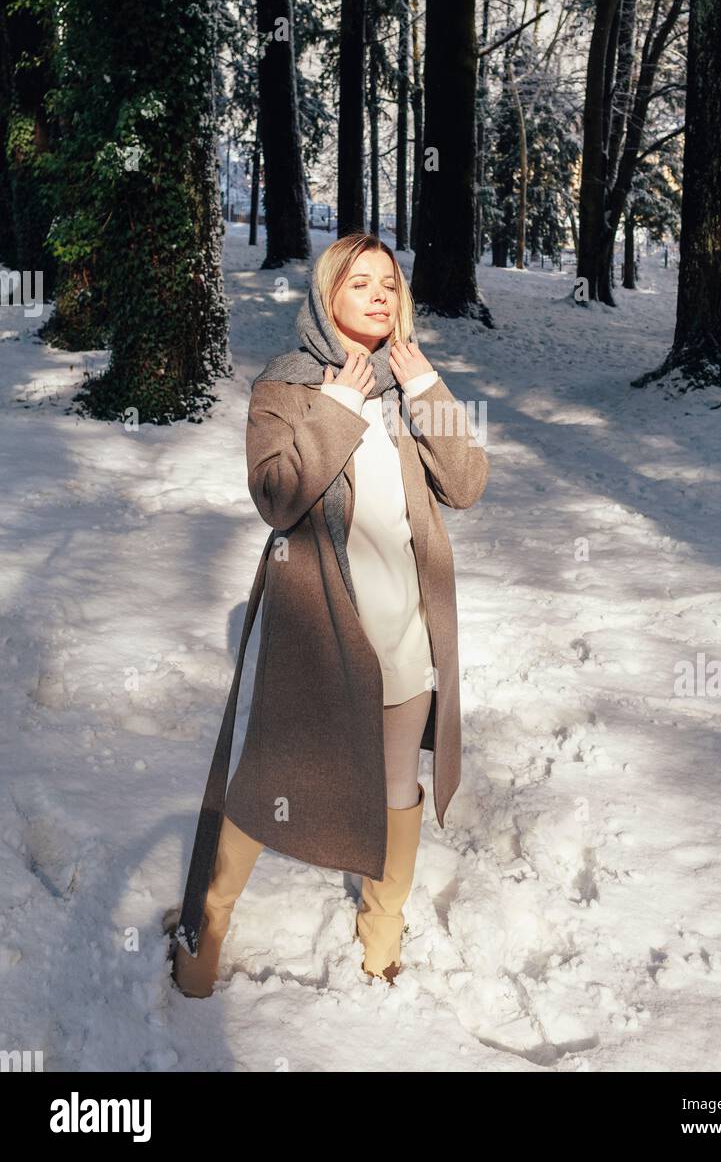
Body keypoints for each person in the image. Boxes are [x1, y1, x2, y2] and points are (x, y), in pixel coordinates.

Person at [169, 233, 489, 995]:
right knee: (269, 777)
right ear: (326, 296)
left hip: (407, 630)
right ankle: (206, 929)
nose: (380, 293)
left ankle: (383, 931)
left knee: (394, 785)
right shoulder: (284, 388)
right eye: (360, 282)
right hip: (319, 632)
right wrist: (342, 406)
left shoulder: (409, 386)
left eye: (390, 283)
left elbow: (467, 483)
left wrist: (430, 392)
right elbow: (277, 497)